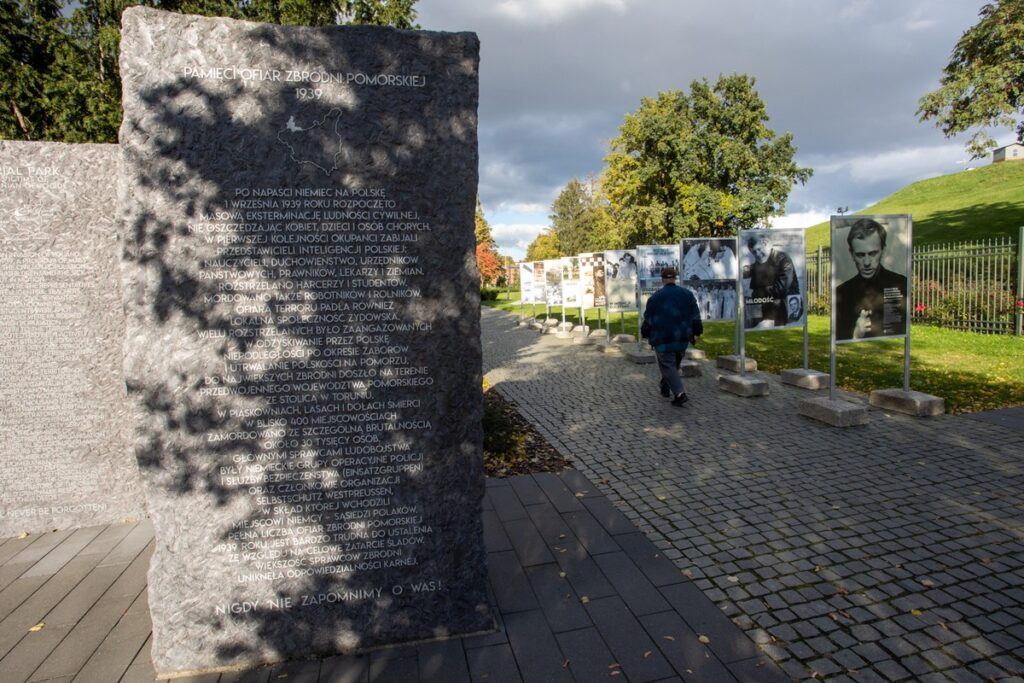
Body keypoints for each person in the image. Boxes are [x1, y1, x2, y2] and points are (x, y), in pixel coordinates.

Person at [835, 218, 908, 340]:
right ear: (852, 254)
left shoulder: (901, 283)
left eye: (873, 253)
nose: (867, 262)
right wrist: (856, 335)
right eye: (860, 255)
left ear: (882, 251)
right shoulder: (841, 292)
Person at [641, 267, 703, 407]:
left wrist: (644, 333)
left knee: (668, 365)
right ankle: (665, 385)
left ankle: (680, 394)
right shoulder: (687, 294)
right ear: (675, 278)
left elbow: (648, 319)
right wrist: (696, 333)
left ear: (662, 280)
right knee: (673, 365)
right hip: (682, 338)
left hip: (662, 339)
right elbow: (696, 315)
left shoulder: (654, 297)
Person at [743, 234, 799, 328]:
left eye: (759, 249)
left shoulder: (783, 259)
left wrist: (756, 292)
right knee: (752, 324)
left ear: (765, 244)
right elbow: (752, 269)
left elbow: (781, 289)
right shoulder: (762, 261)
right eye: (754, 252)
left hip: (783, 305)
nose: (757, 254)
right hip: (765, 303)